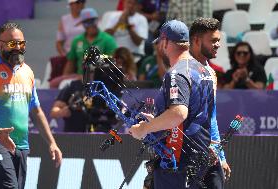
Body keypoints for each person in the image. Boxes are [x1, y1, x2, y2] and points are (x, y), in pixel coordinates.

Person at [128, 20, 215, 189]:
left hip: (178, 160)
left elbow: (178, 114)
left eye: (160, 42)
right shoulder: (204, 70)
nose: (160, 47)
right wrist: (157, 121)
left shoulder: (176, 73)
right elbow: (193, 114)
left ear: (166, 42)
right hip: (199, 157)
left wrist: (144, 129)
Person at [0, 22, 62, 189]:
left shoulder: (27, 71)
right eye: (12, 43)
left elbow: (36, 110)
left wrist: (52, 142)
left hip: (22, 146)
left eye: (21, 43)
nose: (17, 47)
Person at [189, 17, 231, 189]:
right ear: (197, 41)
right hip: (185, 156)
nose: (218, 44)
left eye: (219, 40)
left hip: (209, 154)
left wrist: (221, 156)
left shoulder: (211, 73)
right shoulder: (181, 71)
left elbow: (210, 117)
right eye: (213, 41)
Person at [63, 7, 117, 76]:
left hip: (102, 78)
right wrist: (65, 78)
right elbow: (70, 63)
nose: (91, 25)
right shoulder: (77, 40)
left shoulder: (108, 40)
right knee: (56, 83)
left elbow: (113, 63)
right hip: (80, 78)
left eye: (93, 21)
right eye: (87, 22)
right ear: (82, 24)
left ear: (97, 21)